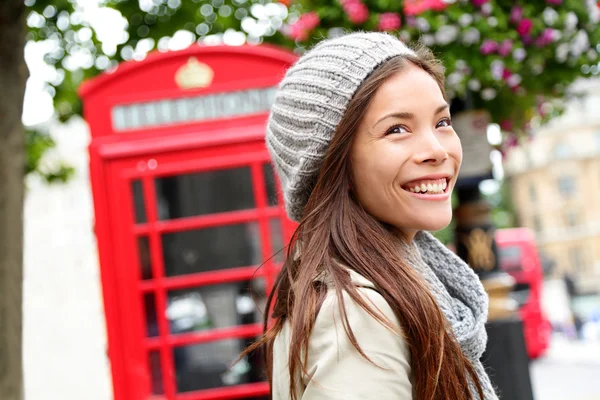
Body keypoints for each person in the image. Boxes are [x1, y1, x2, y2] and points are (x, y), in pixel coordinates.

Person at [244, 32, 499, 400]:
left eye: (442, 122)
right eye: (397, 129)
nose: (436, 150)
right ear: (333, 168)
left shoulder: (387, 286)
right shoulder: (357, 316)